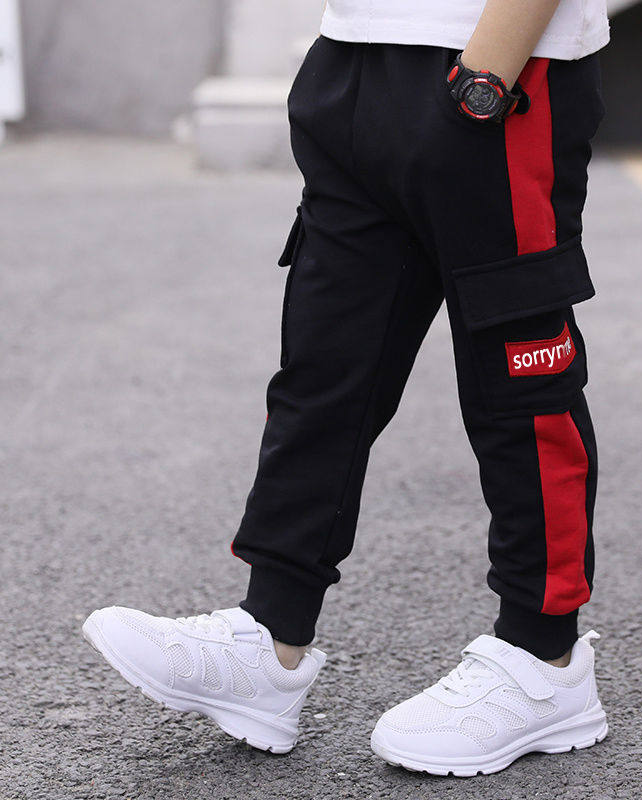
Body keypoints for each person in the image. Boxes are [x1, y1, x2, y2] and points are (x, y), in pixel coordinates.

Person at [83, 0, 610, 776]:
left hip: (498, 73)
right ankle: (270, 638)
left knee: (521, 388)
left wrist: (485, 79)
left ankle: (545, 660)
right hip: (354, 58)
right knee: (325, 372)